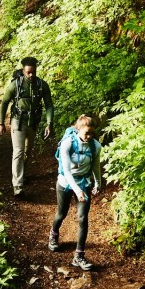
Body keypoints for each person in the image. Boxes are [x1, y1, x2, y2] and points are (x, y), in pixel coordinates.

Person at [49, 115, 102, 271]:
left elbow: (96, 166)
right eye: (87, 133)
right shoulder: (67, 144)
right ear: (78, 129)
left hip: (84, 183)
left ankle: (79, 256)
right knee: (61, 213)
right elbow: (66, 171)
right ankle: (54, 234)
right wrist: (77, 190)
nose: (89, 137)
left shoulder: (95, 146)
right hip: (65, 182)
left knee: (83, 218)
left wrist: (98, 183)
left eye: (92, 133)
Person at [0, 57, 54, 197]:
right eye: (28, 72)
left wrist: (49, 123)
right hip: (18, 121)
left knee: (28, 152)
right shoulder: (15, 85)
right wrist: (1, 123)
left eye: (33, 72)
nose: (31, 75)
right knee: (18, 151)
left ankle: (21, 174)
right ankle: (18, 186)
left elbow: (48, 105)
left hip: (33, 122)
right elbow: (4, 103)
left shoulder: (42, 85)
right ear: (23, 71)